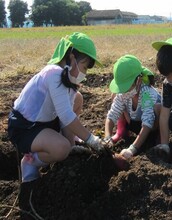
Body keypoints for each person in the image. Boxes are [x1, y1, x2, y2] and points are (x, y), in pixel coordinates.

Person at [7, 32, 105, 183]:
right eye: (84, 67)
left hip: (46, 123)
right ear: (72, 58)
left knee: (77, 99)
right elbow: (66, 115)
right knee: (61, 148)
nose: (85, 74)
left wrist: (72, 147)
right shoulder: (53, 73)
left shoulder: (68, 80)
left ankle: (64, 146)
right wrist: (91, 139)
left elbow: (65, 117)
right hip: (26, 128)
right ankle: (31, 162)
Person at [104, 54, 161, 159]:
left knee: (158, 108)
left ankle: (159, 140)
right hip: (135, 123)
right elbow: (111, 116)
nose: (123, 92)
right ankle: (121, 131)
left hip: (151, 128)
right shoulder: (123, 94)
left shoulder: (147, 93)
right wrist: (107, 138)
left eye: (126, 87)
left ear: (138, 80)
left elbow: (148, 123)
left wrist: (132, 149)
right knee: (115, 97)